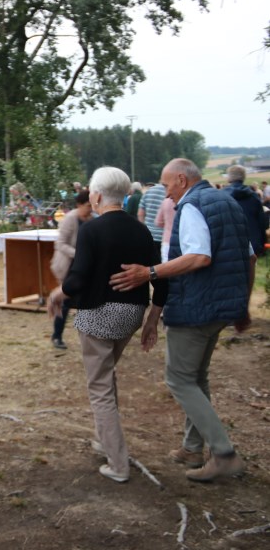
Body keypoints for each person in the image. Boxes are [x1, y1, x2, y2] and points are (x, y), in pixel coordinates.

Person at [110, 158, 254, 482]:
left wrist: (149, 272)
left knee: (179, 379)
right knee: (196, 377)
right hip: (221, 308)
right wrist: (242, 305)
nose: (166, 194)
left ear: (181, 180)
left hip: (195, 307)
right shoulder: (226, 201)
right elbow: (250, 256)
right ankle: (192, 448)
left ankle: (224, 453)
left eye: (166, 186)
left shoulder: (191, 206)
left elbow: (198, 256)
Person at [47, 167, 167, 483]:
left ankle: (118, 463)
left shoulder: (92, 230)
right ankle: (104, 439)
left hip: (99, 314)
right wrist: (153, 319)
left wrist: (59, 291)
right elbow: (160, 276)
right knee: (106, 375)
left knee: (99, 387)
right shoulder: (141, 230)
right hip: (131, 315)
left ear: (97, 195)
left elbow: (79, 275)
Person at [49, 190, 93, 350]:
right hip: (67, 266)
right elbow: (60, 243)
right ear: (79, 205)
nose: (90, 209)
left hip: (84, 267)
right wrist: (78, 253)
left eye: (92, 206)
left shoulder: (92, 219)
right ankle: (57, 335)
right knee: (65, 301)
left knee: (86, 301)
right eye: (88, 206)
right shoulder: (70, 219)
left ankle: (88, 337)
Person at [224, 165, 267, 257]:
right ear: (244, 177)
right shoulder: (254, 196)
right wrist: (262, 242)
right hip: (252, 241)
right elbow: (262, 222)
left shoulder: (221, 197)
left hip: (229, 244)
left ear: (229, 178)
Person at [137, 182, 165, 256]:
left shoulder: (149, 191)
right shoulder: (171, 191)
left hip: (149, 235)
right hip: (165, 237)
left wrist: (144, 230)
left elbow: (140, 214)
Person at [154, 195, 176, 263]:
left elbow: (158, 222)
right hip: (180, 240)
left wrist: (167, 223)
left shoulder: (165, 202)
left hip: (167, 239)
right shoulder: (184, 201)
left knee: (166, 264)